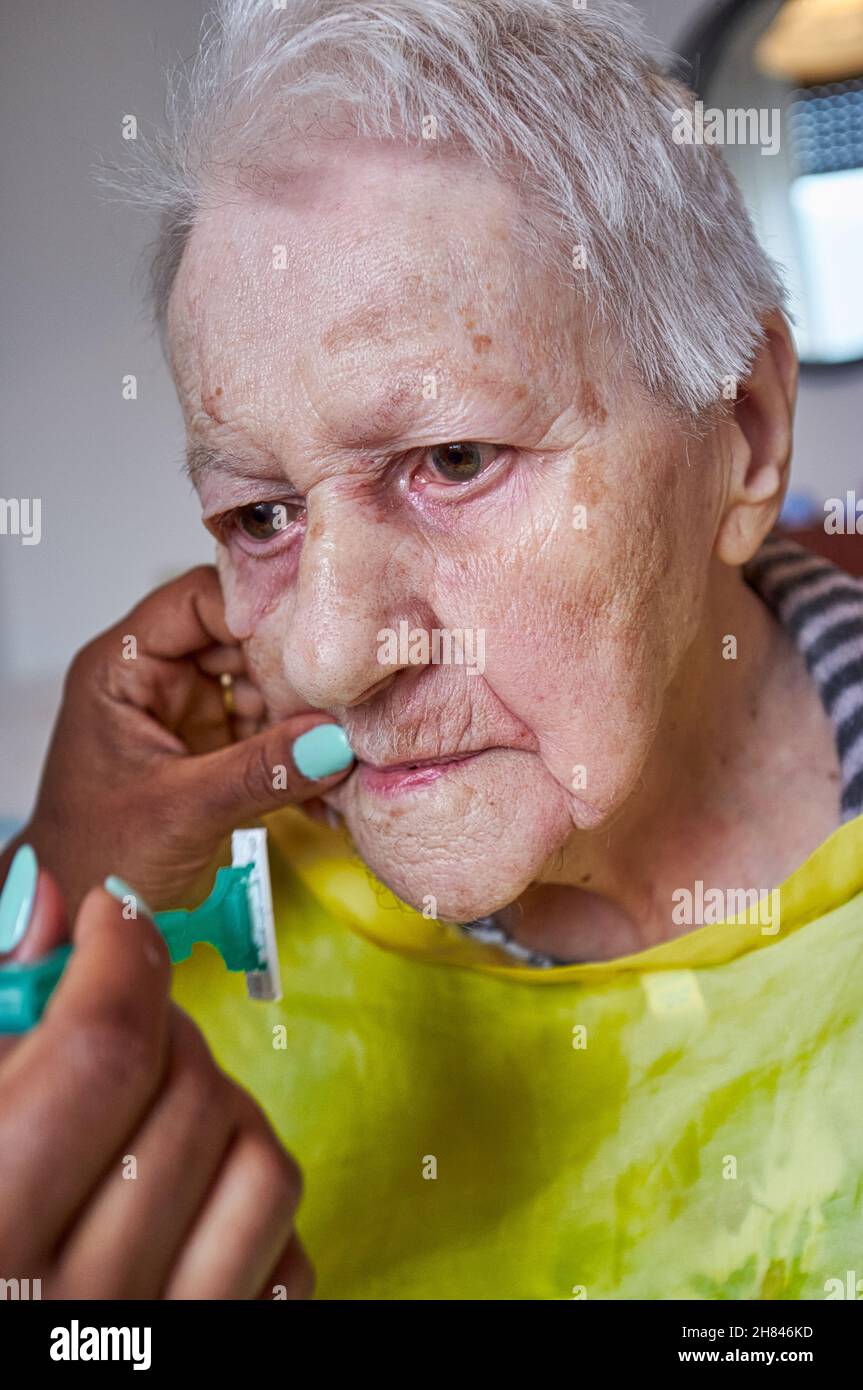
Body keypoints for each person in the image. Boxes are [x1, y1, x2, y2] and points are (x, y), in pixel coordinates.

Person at [2, 0, 862, 1299]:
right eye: (260, 515)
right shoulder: (146, 921)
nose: (334, 652)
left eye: (453, 460)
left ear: (742, 430)